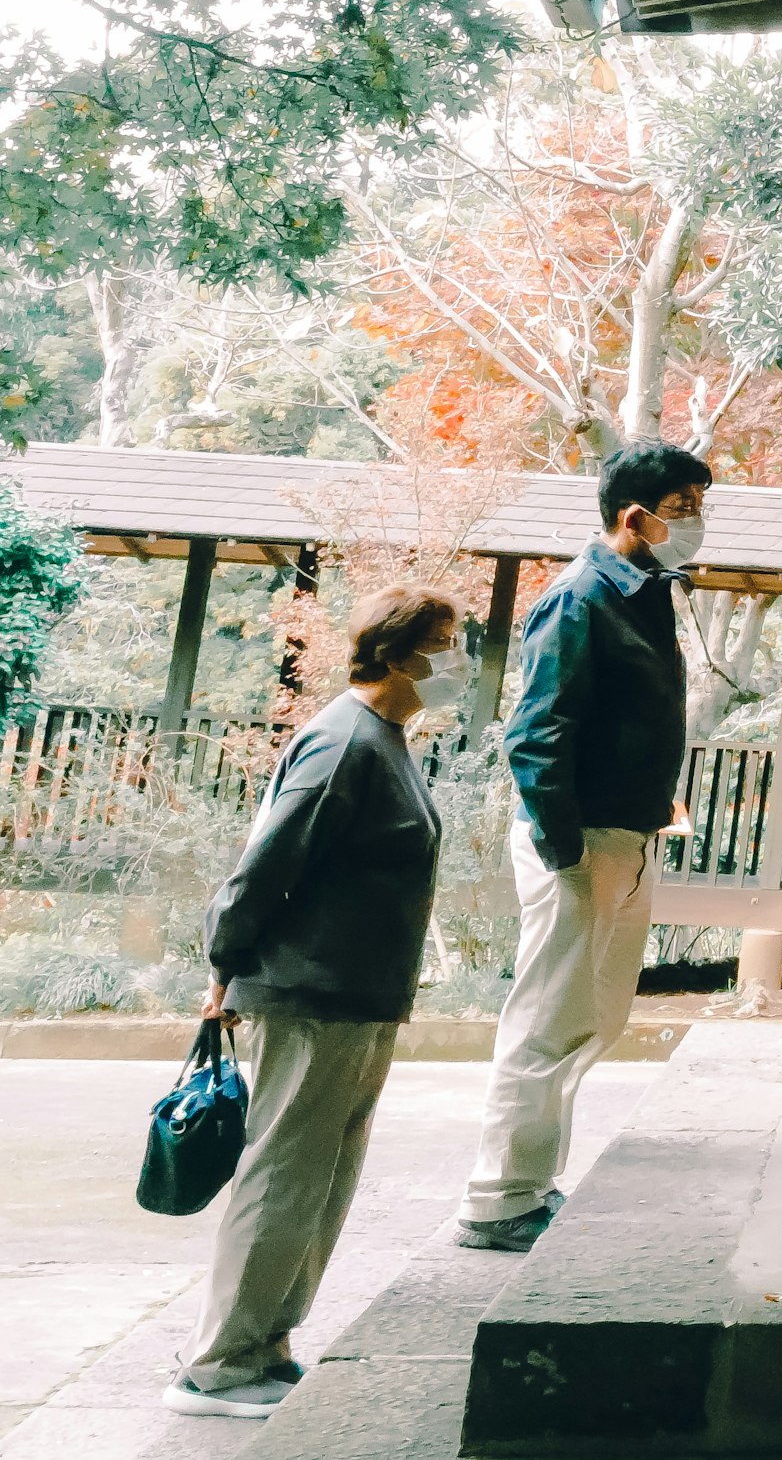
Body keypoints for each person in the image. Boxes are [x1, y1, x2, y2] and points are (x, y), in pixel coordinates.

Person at [166, 589, 471, 1419]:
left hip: (360, 997)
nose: (459, 658)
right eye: (447, 641)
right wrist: (224, 965)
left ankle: (267, 1345)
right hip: (311, 994)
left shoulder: (388, 739)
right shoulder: (344, 742)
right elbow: (266, 862)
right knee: (283, 1178)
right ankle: (218, 1366)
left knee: (321, 1182)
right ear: (399, 653)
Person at [456, 443, 707, 1250]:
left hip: (625, 836)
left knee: (595, 1016)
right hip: (580, 841)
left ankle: (534, 1182)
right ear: (636, 517)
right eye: (685, 505)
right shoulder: (579, 598)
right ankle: (498, 1198)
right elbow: (536, 735)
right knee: (548, 1021)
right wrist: (564, 852)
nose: (697, 521)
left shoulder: (645, 594)